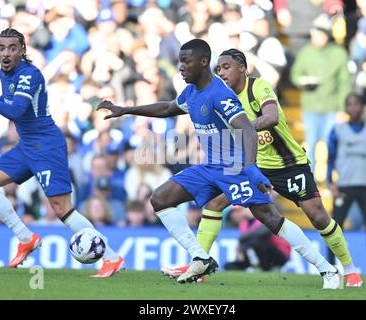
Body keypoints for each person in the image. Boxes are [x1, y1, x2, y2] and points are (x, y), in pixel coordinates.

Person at [98, 39, 342, 288]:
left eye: (186, 61)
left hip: (234, 168)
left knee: (270, 218)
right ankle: (201, 257)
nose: (181, 67)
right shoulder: (193, 91)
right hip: (212, 167)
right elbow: (169, 108)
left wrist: (249, 169)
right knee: (160, 198)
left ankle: (328, 269)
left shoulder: (220, 94)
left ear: (203, 62)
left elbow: (247, 129)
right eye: (180, 61)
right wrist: (127, 109)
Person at [162, 48, 363, 287]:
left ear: (242, 69)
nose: (222, 73)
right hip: (253, 165)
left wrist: (242, 128)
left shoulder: (258, 87)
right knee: (214, 204)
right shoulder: (221, 95)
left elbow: (271, 118)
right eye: (219, 69)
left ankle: (350, 269)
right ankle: (199, 264)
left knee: (319, 218)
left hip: (289, 164)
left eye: (227, 67)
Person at [0, 28, 123, 278]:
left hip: (47, 145)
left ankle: (112, 258)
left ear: (22, 50)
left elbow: (15, 111)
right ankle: (26, 238)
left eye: (12, 48)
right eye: (1, 48)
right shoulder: (5, 72)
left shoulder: (30, 75)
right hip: (27, 145)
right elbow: (5, 100)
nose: (6, 53)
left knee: (62, 209)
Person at [327, 93, 366, 276]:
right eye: (350, 105)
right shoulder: (337, 130)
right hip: (344, 185)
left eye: (356, 104)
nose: (353, 108)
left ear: (362, 107)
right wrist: (330, 180)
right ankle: (330, 265)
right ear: (346, 108)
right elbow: (331, 157)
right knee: (334, 227)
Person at [290, 14, 352, 172]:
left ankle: (332, 177)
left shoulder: (339, 54)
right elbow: (295, 73)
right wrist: (303, 80)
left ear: (326, 35)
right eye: (313, 35)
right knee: (310, 144)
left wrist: (341, 108)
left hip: (331, 108)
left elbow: (344, 83)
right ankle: (310, 179)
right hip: (311, 107)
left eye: (319, 35)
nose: (315, 38)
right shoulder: (306, 52)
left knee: (331, 145)